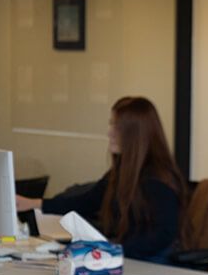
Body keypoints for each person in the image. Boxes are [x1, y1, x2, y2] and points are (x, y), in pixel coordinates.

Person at [16, 96, 187, 263]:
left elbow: (163, 234)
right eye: (111, 124)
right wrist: (34, 203)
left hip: (153, 265)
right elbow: (86, 202)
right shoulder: (121, 172)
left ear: (136, 134)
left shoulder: (158, 178)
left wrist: (112, 248)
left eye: (117, 126)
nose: (110, 132)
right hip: (128, 259)